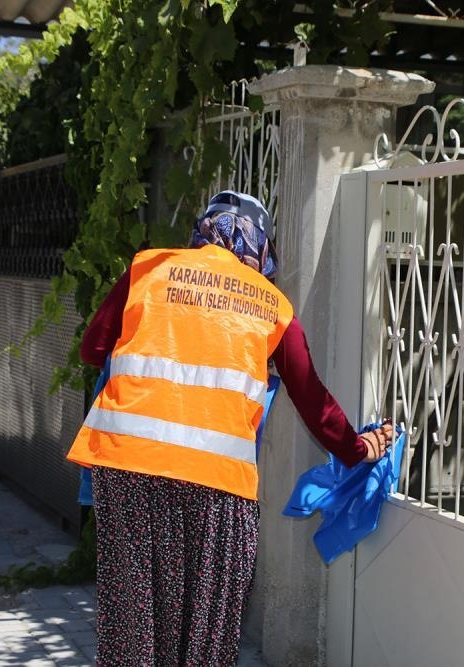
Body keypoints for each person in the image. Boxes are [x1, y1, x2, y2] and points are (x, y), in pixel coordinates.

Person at [66, 190, 395, 666]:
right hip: (216, 486)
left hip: (127, 467)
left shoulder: (148, 268)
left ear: (203, 231)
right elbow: (312, 399)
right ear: (261, 247)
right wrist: (357, 448)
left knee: (133, 623)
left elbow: (93, 348)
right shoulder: (272, 306)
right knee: (206, 628)